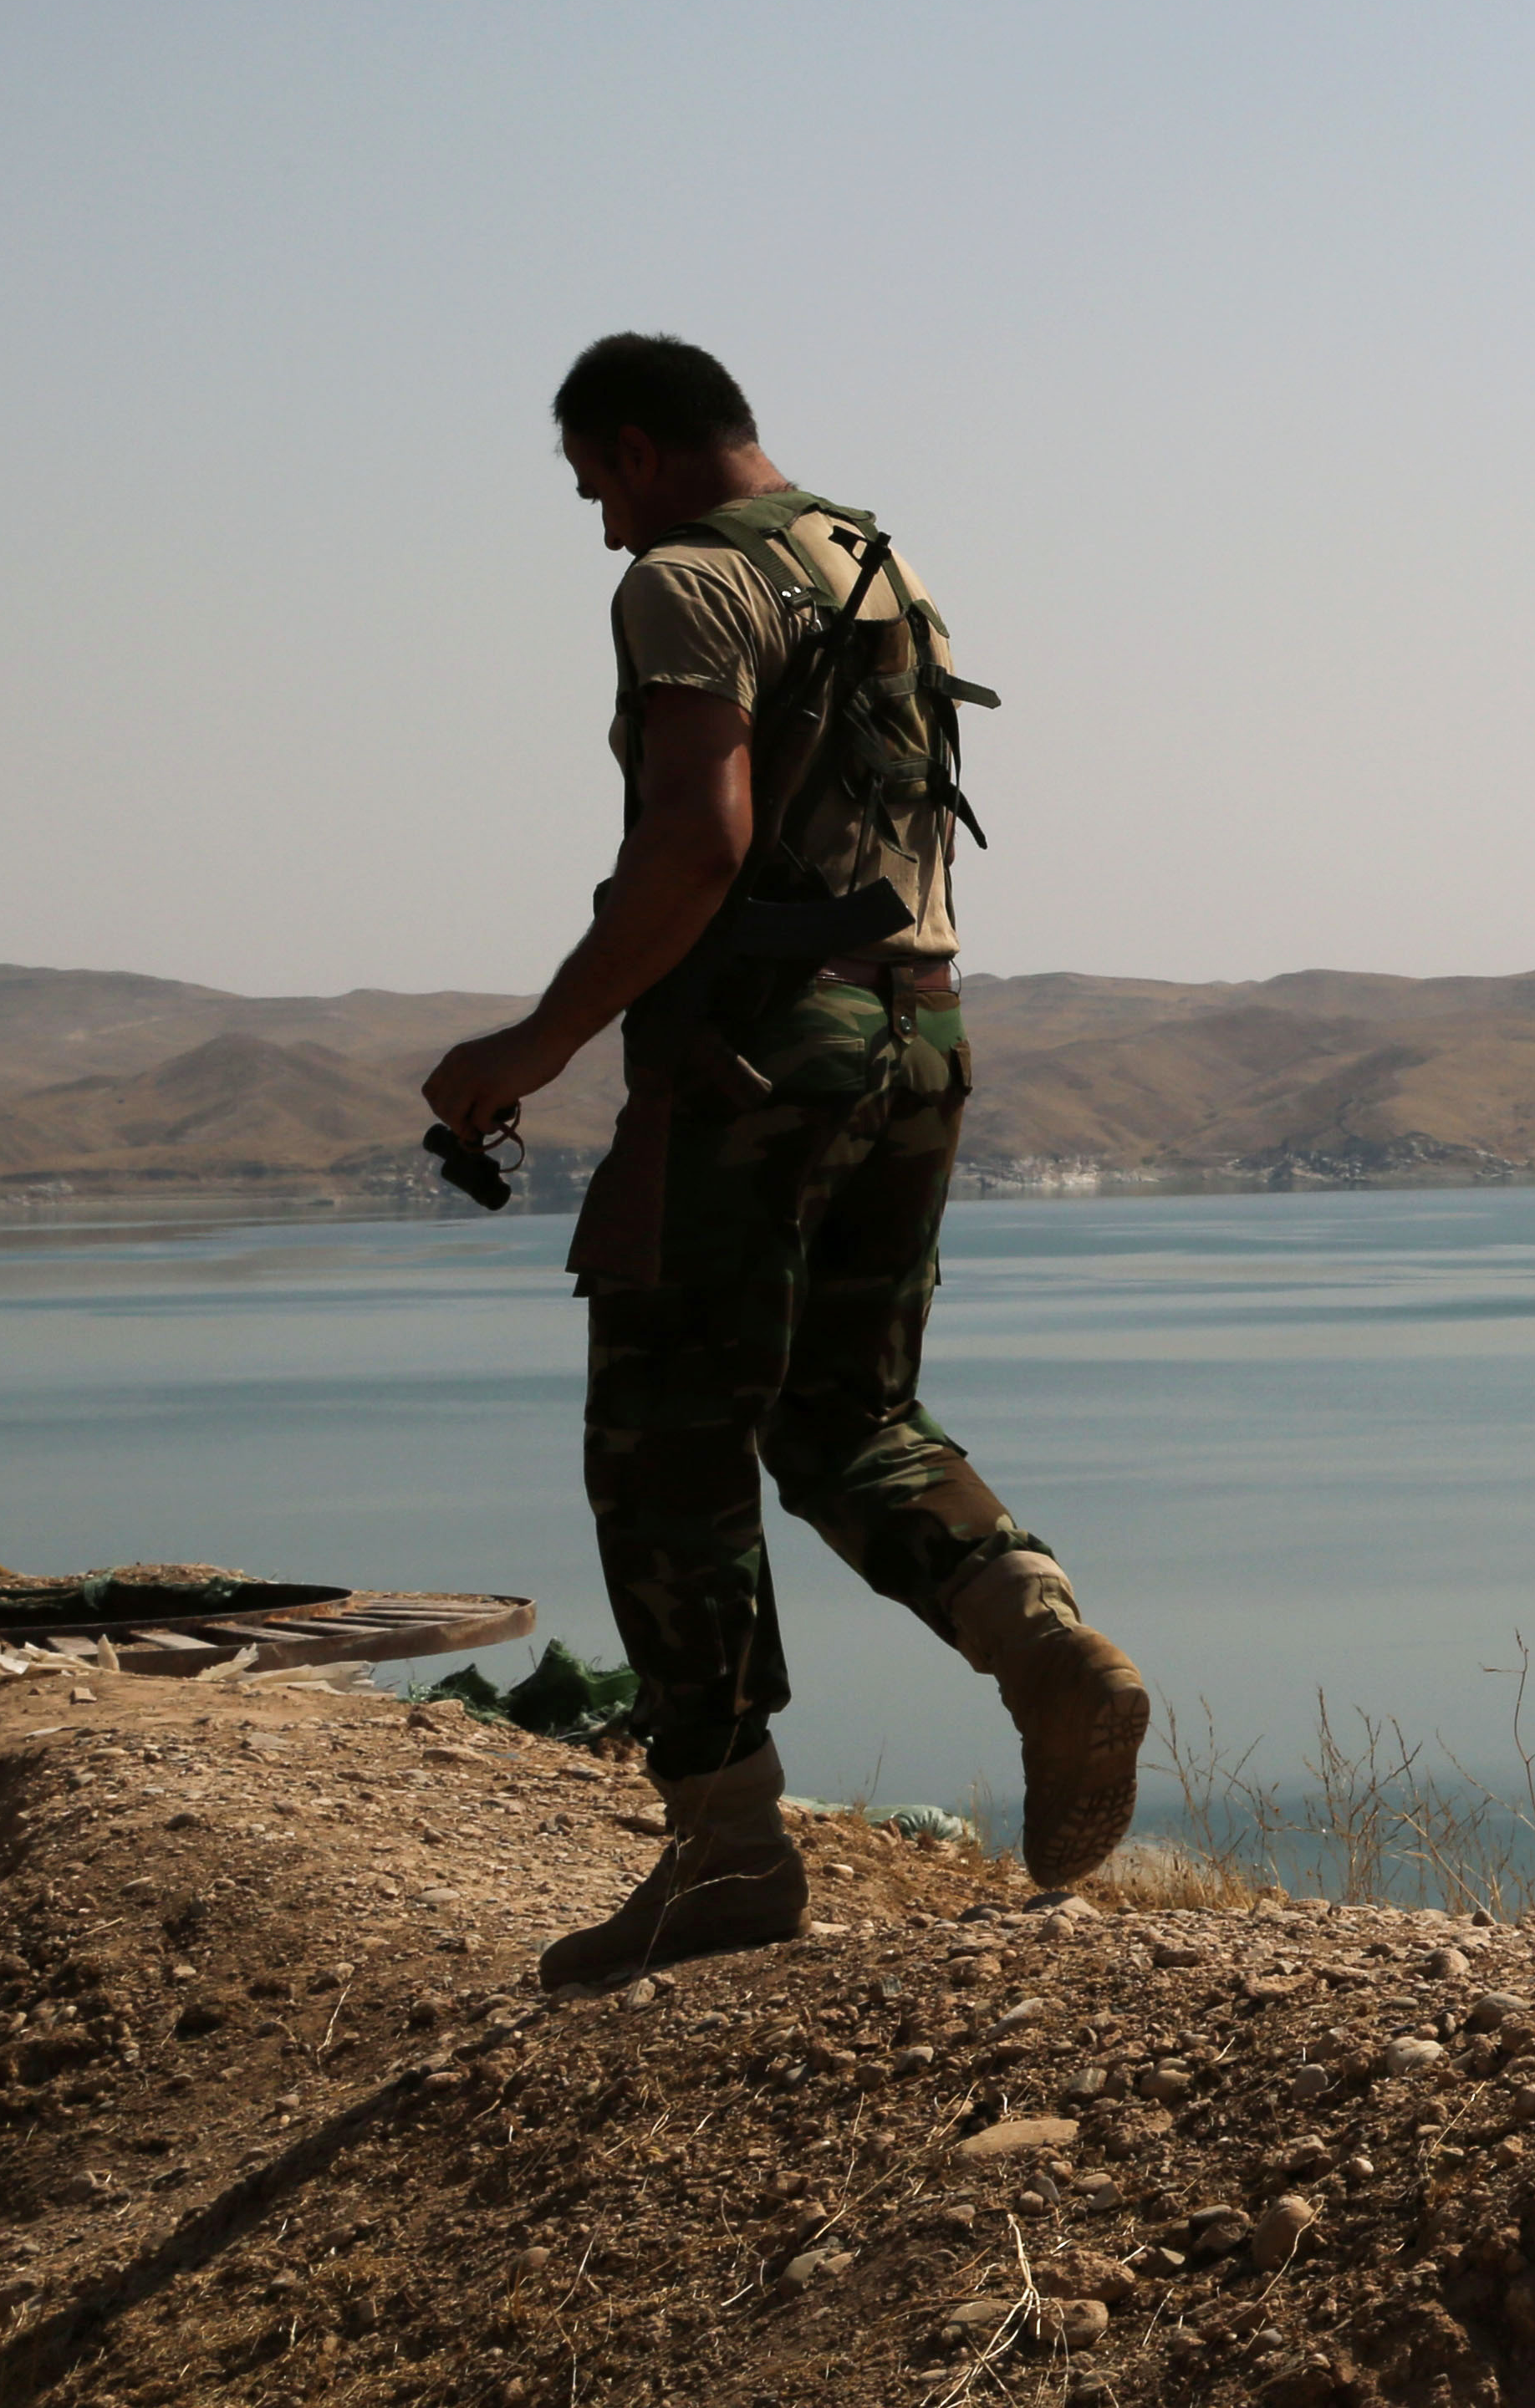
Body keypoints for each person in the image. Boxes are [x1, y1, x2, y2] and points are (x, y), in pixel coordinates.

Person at [424, 331, 1148, 1984]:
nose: (601, 529)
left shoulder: (688, 579)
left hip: (762, 1058)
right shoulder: (879, 563)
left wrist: (527, 1050)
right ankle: (1042, 1647)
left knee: (663, 1445)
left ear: (638, 447)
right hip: (922, 1038)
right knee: (841, 1412)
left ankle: (729, 1853)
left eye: (595, 487)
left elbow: (700, 838)